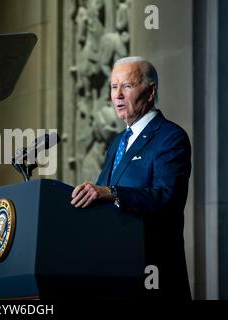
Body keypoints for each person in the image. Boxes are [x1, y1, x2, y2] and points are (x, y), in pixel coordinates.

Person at [70, 56, 192, 299]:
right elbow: (100, 194)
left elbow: (167, 198)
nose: (118, 95)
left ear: (150, 91)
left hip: (153, 272)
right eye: (114, 87)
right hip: (115, 270)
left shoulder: (170, 137)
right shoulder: (117, 142)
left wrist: (110, 193)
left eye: (127, 86)